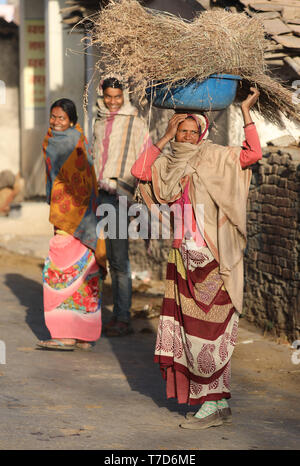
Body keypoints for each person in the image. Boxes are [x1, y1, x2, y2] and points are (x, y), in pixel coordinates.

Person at [131, 87, 262, 429]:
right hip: (182, 261)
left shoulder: (216, 156)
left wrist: (246, 111)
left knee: (209, 331)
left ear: (204, 131)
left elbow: (252, 154)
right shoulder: (168, 162)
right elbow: (139, 170)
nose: (187, 136)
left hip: (214, 261)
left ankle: (211, 403)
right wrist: (165, 136)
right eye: (182, 131)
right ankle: (214, 403)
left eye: (193, 131)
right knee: (190, 332)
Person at [37, 98, 106, 351]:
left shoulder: (68, 141)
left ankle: (65, 335)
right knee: (83, 274)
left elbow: (79, 180)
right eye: (53, 117)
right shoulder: (74, 138)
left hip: (74, 218)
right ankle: (83, 335)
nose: (56, 122)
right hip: (82, 217)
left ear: (72, 121)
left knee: (60, 277)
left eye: (61, 118)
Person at [93, 77, 151, 337]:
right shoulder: (98, 121)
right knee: (101, 257)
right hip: (100, 195)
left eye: (118, 97)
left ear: (124, 96)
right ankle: (104, 314)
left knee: (118, 259)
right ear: (102, 95)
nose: (113, 102)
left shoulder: (135, 123)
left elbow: (145, 156)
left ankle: (122, 317)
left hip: (120, 196)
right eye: (109, 96)